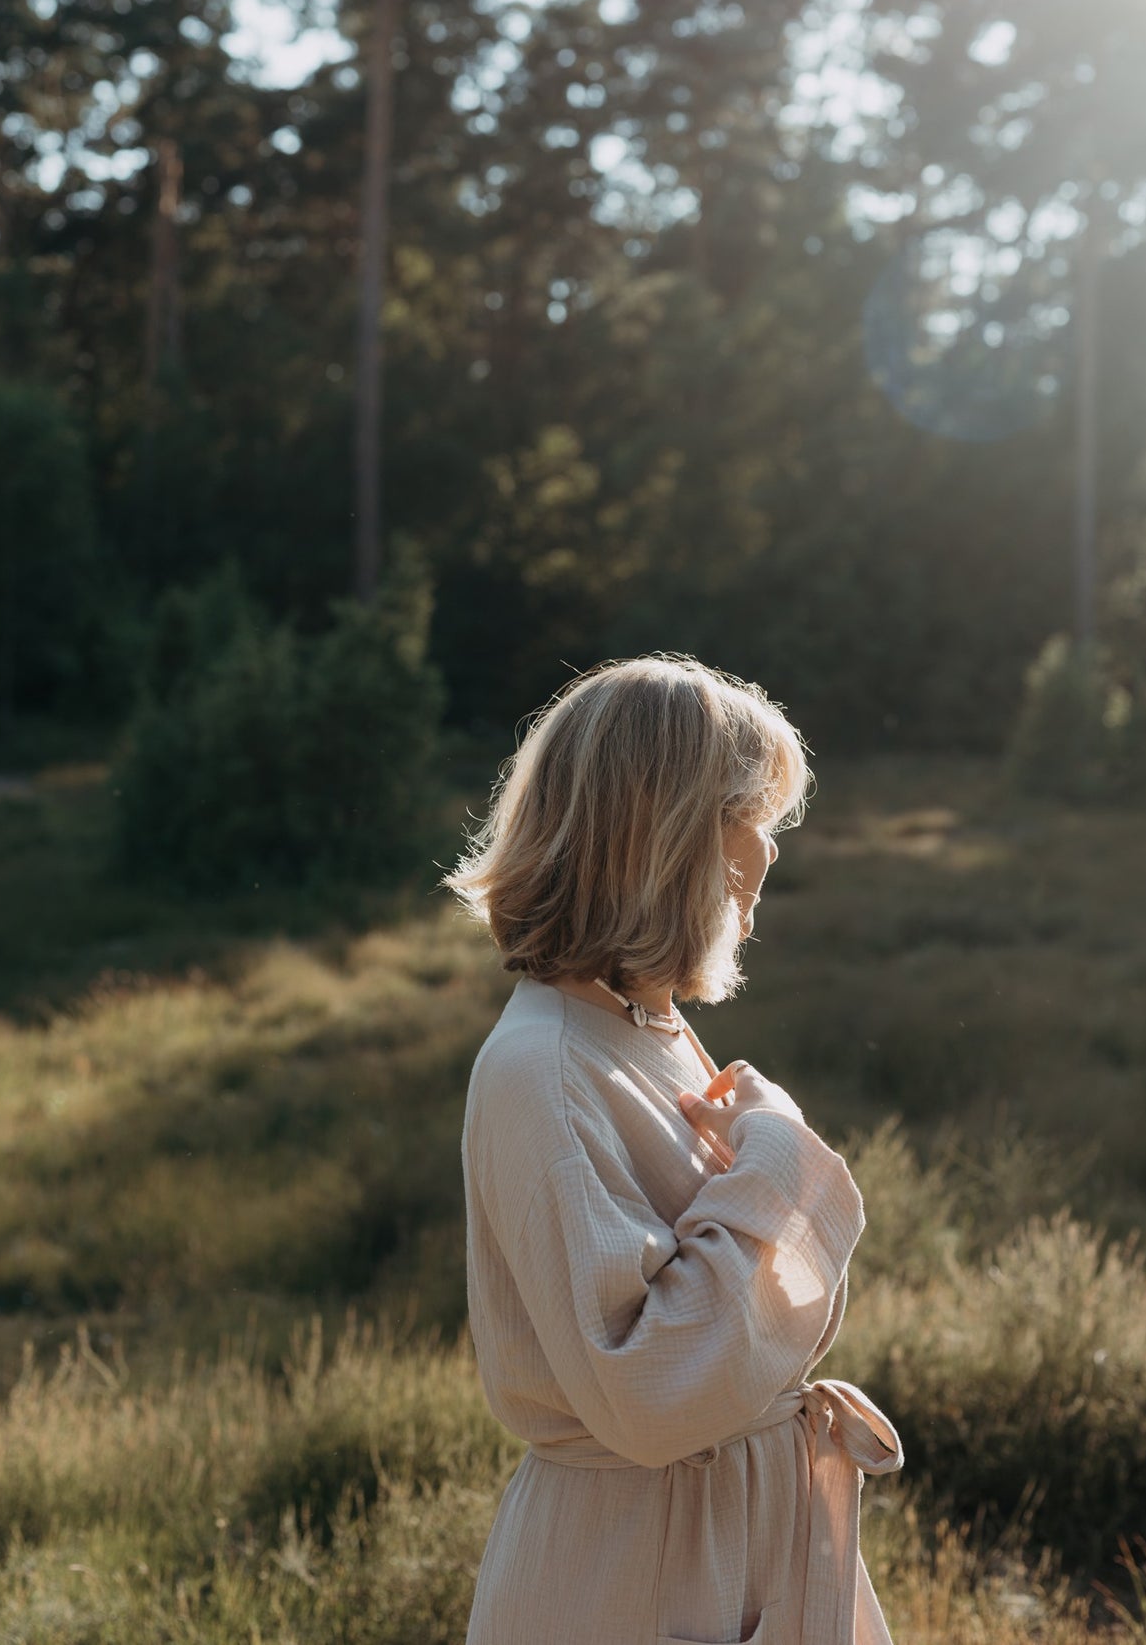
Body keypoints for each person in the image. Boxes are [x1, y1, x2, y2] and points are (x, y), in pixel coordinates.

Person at [445, 654, 902, 1645]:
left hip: (721, 1543)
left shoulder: (637, 1022)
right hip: (637, 1575)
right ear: (661, 834)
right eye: (749, 817)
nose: (767, 856)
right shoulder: (546, 1068)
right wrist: (775, 1156)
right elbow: (648, 1391)